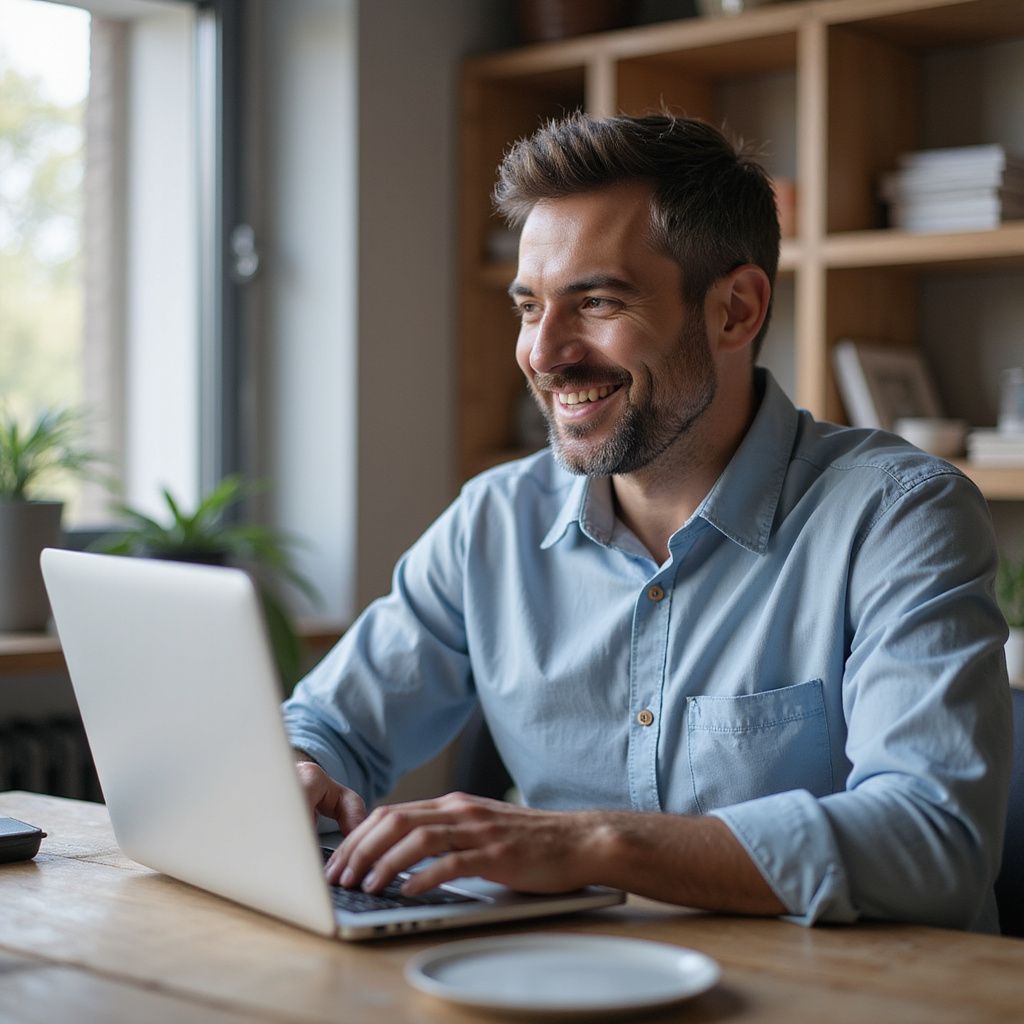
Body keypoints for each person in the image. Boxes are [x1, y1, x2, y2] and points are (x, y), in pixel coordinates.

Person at [283, 113, 1012, 930]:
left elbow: (935, 840)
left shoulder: (899, 514)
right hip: (569, 986)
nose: (543, 353)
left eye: (594, 301)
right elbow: (328, 724)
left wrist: (591, 844)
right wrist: (297, 766)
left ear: (736, 309)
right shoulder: (494, 521)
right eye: (530, 307)